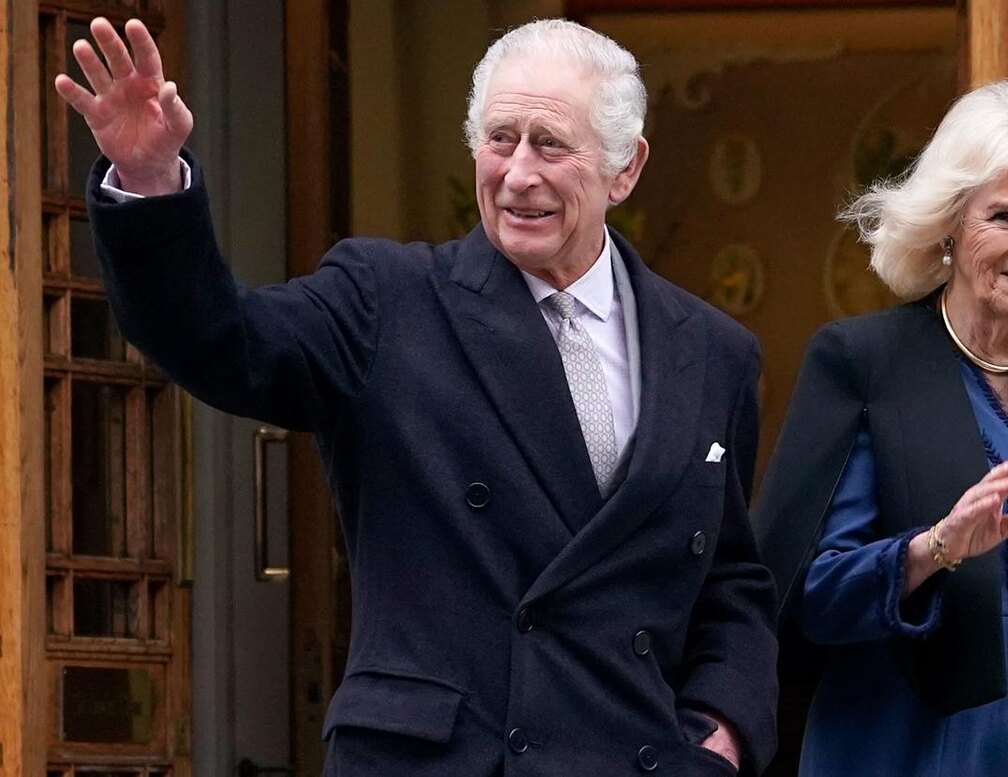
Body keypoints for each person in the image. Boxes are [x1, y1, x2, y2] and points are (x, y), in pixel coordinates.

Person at [56, 16, 779, 776]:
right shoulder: (388, 300)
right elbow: (220, 340)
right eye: (500, 139)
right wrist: (150, 183)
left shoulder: (713, 352)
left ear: (624, 168)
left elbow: (730, 580)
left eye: (550, 145)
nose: (518, 174)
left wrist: (722, 731)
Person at [753, 81, 1008, 776]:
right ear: (948, 223)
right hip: (915, 745)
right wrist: (934, 547)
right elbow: (808, 597)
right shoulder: (865, 362)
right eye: (1006, 217)